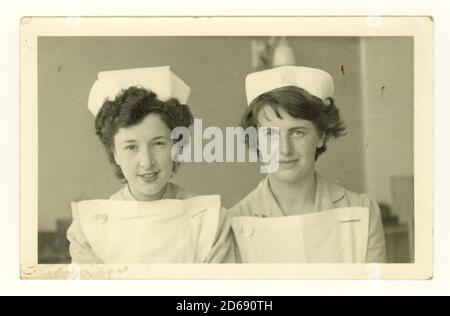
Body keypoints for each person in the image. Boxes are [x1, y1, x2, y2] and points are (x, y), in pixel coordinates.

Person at [67, 66, 234, 264]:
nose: (147, 162)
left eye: (158, 144)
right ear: (115, 153)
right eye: (131, 147)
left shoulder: (210, 220)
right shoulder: (89, 228)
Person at [230, 65, 386, 263]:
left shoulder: (362, 210)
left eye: (297, 132)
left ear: (321, 135)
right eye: (270, 134)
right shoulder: (233, 222)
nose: (285, 149)